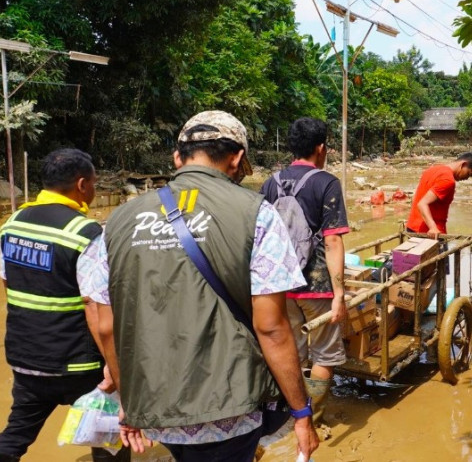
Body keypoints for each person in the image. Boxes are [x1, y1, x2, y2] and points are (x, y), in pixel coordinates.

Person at [79, 111, 319, 462]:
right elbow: (271, 328)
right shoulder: (258, 213)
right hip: (231, 407)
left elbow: (104, 325)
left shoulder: (117, 221)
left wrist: (131, 400)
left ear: (177, 158)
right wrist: (301, 412)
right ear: (237, 158)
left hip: (154, 404)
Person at [0, 148, 129, 462]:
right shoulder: (86, 233)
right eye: (93, 183)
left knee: (16, 432)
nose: (93, 190)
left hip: (26, 357)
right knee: (107, 434)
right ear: (81, 185)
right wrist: (114, 366)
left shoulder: (13, 223)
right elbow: (95, 306)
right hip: (78, 363)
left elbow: (7, 282)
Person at [259, 117, 349, 427]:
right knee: (323, 354)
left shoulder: (270, 183)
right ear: (321, 148)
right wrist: (339, 294)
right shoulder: (326, 182)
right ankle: (314, 418)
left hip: (278, 287)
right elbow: (333, 240)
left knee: (292, 354)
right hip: (316, 286)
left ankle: (291, 416)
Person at [405, 152, 472, 235]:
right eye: (468, 174)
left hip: (412, 228)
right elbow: (422, 203)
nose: (466, 178)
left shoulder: (433, 169)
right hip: (430, 233)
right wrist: (433, 228)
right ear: (463, 164)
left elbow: (417, 198)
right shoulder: (448, 180)